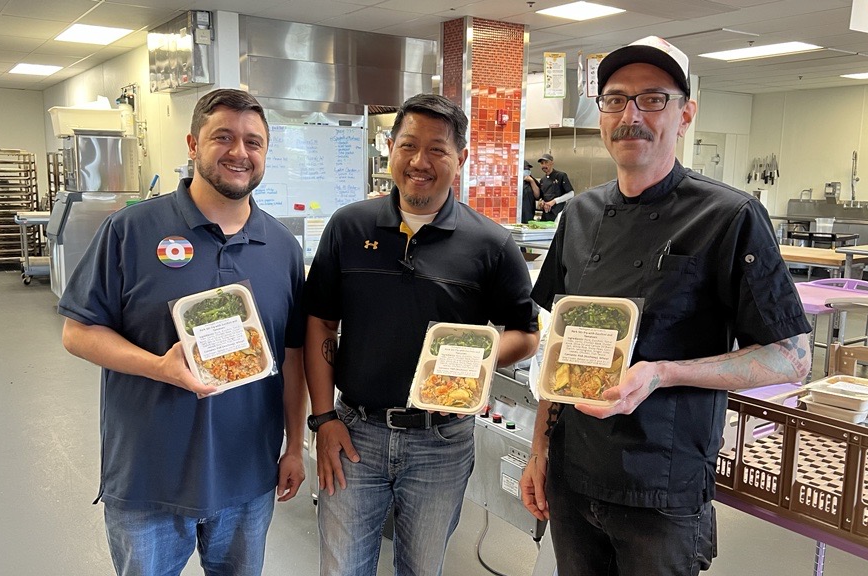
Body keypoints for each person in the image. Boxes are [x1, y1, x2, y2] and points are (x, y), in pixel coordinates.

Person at [519, 36, 812, 575]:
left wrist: (662, 373)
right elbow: (557, 351)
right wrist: (540, 448)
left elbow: (791, 357)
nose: (631, 115)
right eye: (615, 99)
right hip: (573, 471)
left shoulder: (730, 216)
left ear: (685, 114)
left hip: (662, 489)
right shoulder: (580, 214)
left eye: (652, 98)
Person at [58, 88, 307, 576]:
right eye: (224, 137)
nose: (240, 152)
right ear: (193, 144)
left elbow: (292, 354)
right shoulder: (130, 231)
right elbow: (78, 331)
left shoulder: (281, 246)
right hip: (150, 477)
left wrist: (295, 446)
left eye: (254, 143)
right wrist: (158, 367)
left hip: (247, 476)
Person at [304, 93, 540, 576]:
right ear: (389, 147)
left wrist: (477, 356)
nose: (419, 162)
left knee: (422, 568)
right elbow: (321, 324)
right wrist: (322, 417)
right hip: (355, 434)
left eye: (437, 149)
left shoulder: (490, 243)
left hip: (443, 441)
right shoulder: (349, 227)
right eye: (408, 145)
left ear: (462, 158)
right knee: (342, 567)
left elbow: (526, 333)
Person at [535, 153, 574, 221]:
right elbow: (542, 197)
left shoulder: (561, 176)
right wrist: (542, 203)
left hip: (559, 213)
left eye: (546, 162)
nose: (544, 165)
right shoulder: (542, 180)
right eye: (542, 163)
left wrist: (554, 201)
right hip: (546, 214)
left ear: (552, 163)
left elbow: (571, 194)